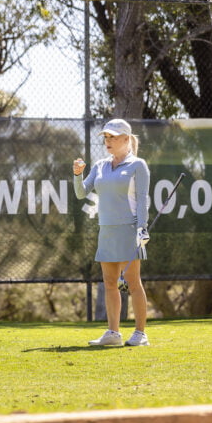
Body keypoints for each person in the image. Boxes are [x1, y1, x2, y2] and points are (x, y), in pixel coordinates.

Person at [73, 118, 151, 347]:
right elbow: (80, 193)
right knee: (109, 283)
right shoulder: (99, 166)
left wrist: (142, 230)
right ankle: (113, 334)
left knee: (132, 282)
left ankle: (140, 334)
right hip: (106, 230)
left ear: (127, 139)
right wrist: (77, 174)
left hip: (129, 230)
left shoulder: (138, 165)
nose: (108, 141)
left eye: (113, 137)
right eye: (106, 137)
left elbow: (142, 201)